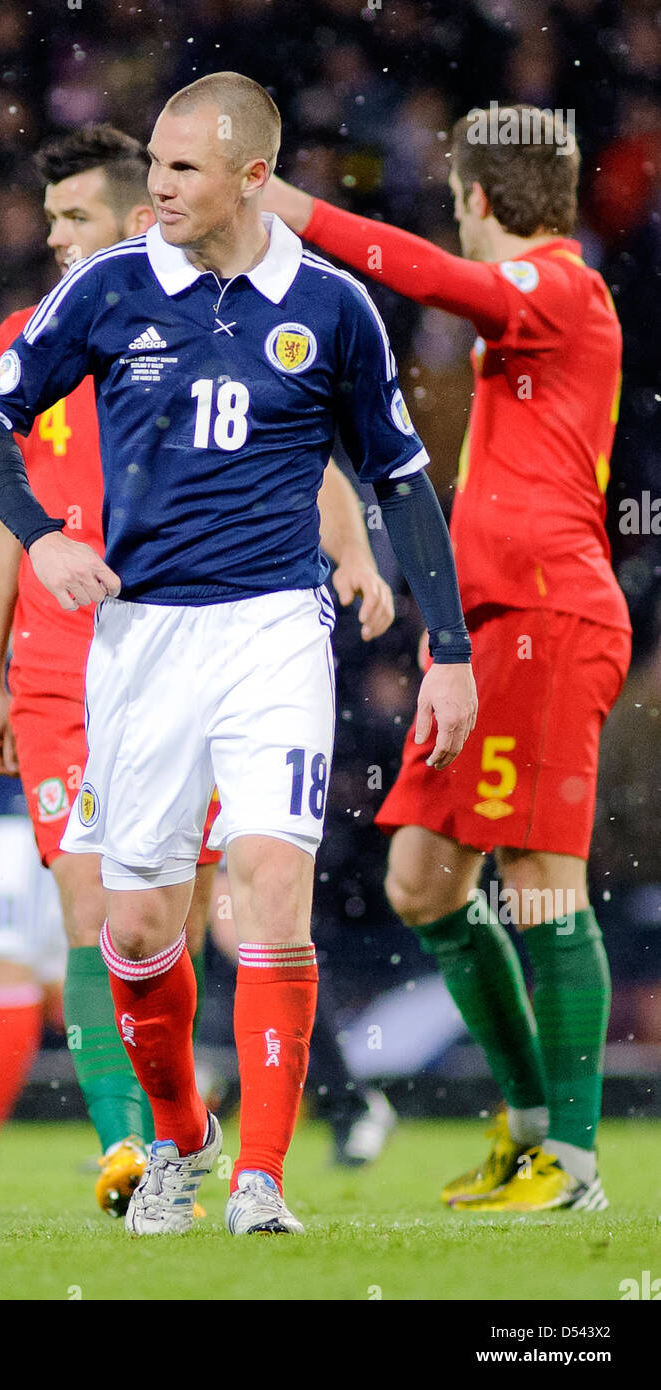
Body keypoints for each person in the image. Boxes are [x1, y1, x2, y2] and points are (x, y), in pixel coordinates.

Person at [0, 72, 476, 1236]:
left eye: (181, 169)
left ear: (252, 177)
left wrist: (449, 646)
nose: (159, 189)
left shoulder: (333, 308)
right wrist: (40, 541)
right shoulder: (108, 289)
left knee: (271, 891)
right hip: (140, 641)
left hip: (275, 635)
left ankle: (262, 1180)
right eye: (152, 165)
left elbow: (394, 476)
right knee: (136, 930)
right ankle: (184, 1140)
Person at [264, 104, 631, 1212]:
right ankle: (527, 1129)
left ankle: (573, 1161)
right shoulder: (524, 319)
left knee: (542, 887)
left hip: (554, 616)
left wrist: (295, 208)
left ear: (476, 200)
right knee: (423, 880)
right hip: (486, 629)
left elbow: (435, 277)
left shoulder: (565, 287)